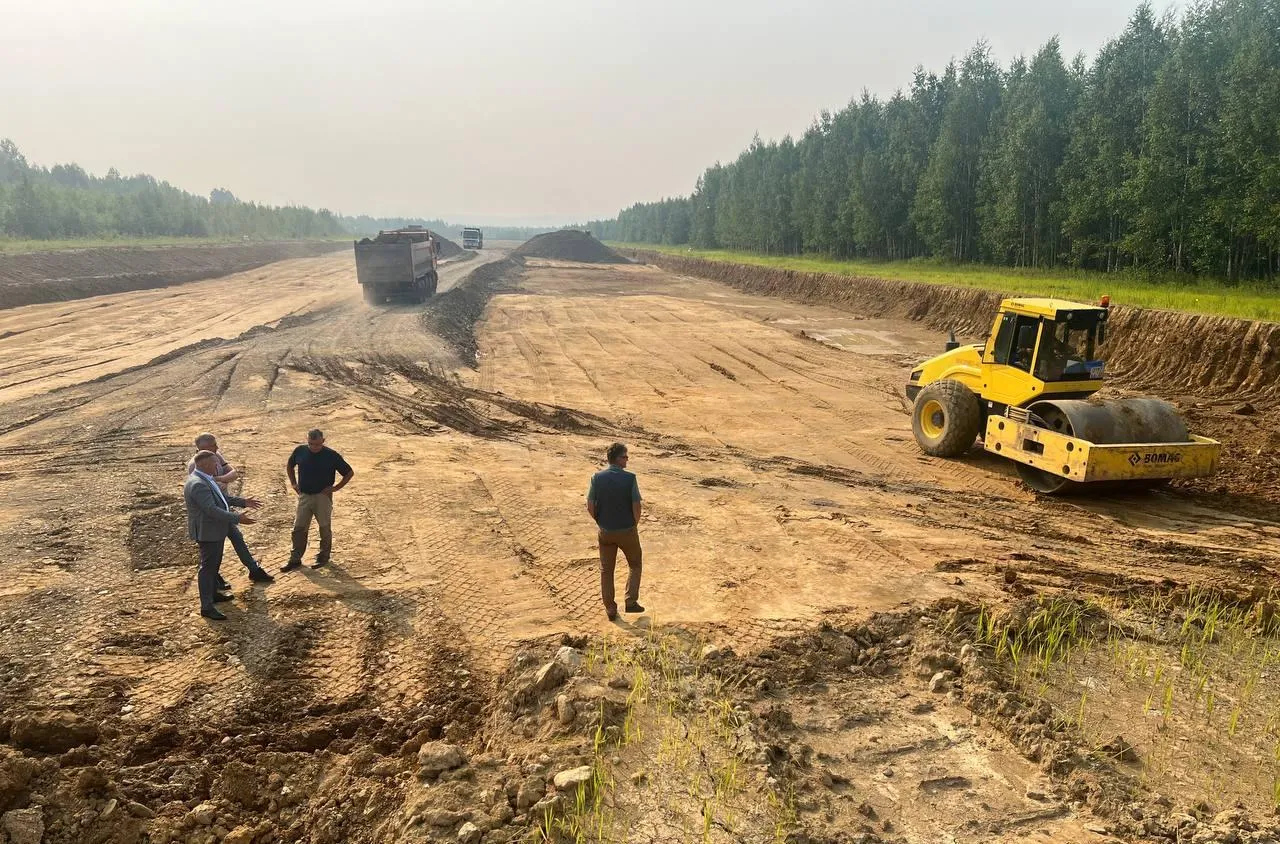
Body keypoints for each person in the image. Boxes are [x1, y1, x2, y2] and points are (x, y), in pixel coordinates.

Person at [186, 433, 274, 587]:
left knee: (237, 540)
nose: (217, 447)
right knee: (211, 555)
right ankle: (213, 584)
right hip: (211, 521)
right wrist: (237, 517)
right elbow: (210, 507)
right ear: (204, 448)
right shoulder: (196, 467)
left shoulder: (215, 456)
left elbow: (233, 474)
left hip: (223, 511)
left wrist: (220, 481)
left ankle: (253, 569)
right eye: (214, 445)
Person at [185, 450, 261, 620]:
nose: (218, 466)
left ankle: (213, 595)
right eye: (214, 463)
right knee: (208, 568)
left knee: (213, 566)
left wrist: (242, 502)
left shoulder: (205, 478)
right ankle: (206, 606)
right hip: (208, 532)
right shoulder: (198, 484)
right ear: (204, 464)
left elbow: (220, 499)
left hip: (213, 529)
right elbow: (211, 509)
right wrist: (237, 518)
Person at [586, 442, 645, 621]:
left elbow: (590, 506)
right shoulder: (630, 479)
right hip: (627, 530)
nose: (627, 460)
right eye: (625, 456)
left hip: (605, 531)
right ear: (618, 459)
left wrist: (600, 521)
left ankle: (610, 609)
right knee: (635, 564)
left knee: (606, 570)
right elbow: (636, 506)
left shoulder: (597, 478)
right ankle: (631, 601)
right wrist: (633, 524)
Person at [283, 429, 354, 572]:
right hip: (304, 496)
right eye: (311, 444)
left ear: (323, 440)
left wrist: (336, 488)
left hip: (323, 497)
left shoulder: (331, 456)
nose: (314, 447)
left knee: (324, 527)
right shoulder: (300, 451)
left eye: (317, 444)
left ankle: (323, 557)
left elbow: (349, 472)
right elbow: (290, 465)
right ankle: (295, 558)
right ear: (307, 440)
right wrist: (294, 483)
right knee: (299, 528)